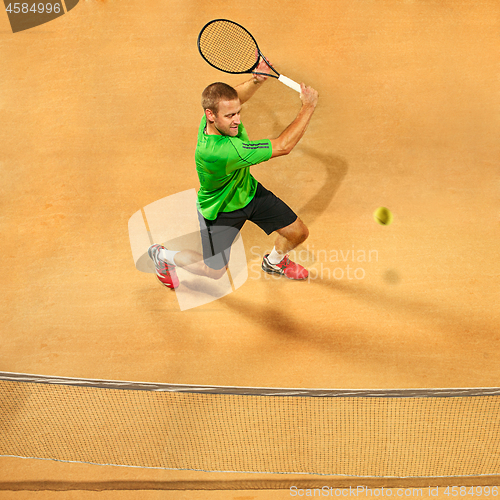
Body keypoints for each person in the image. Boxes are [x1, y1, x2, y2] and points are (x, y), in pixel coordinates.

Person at [148, 60, 319, 289]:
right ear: (211, 115)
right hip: (220, 210)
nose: (237, 120)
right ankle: (163, 256)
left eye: (237, 112)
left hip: (247, 191)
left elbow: (233, 96)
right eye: (230, 116)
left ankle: (274, 262)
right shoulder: (222, 151)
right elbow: (283, 146)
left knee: (298, 233)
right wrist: (308, 107)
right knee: (214, 271)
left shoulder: (210, 118)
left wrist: (256, 81)